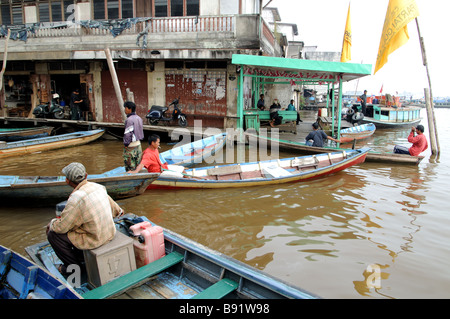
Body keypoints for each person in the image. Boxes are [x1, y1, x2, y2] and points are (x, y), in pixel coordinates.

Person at [46, 162, 124, 277]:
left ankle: (73, 268)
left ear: (67, 181)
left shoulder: (75, 199)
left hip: (95, 239)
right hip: (109, 233)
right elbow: (118, 211)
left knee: (53, 234)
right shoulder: (98, 187)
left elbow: (61, 228)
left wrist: (51, 223)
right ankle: (80, 256)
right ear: (86, 176)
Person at [123, 101, 144, 172]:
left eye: (125, 108)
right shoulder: (139, 118)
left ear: (129, 109)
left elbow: (128, 134)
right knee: (138, 166)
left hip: (131, 147)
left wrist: (126, 144)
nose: (124, 110)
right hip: (138, 145)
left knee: (130, 168)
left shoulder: (129, 120)